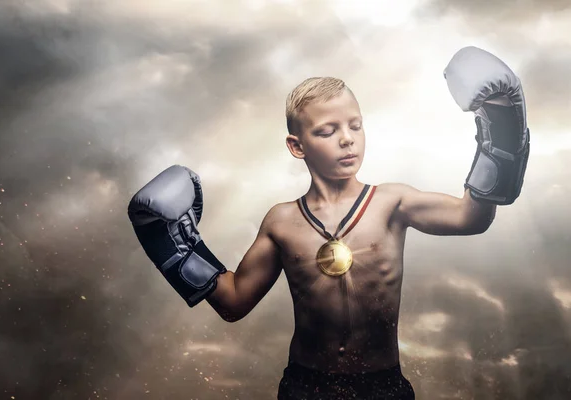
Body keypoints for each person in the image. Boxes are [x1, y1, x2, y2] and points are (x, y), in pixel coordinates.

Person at [127, 46, 530, 400]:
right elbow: (233, 303)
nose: (347, 139)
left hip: (382, 386)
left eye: (355, 125)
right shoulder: (282, 221)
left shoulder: (392, 201)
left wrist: (502, 126)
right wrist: (170, 242)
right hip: (306, 387)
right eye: (328, 130)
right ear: (297, 146)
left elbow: (471, 217)